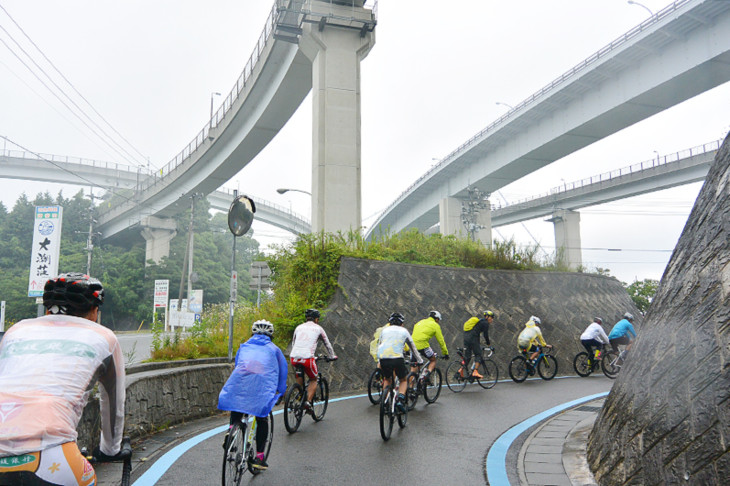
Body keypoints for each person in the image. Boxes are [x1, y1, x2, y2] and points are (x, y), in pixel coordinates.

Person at [0, 273, 126, 486]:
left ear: (48, 308)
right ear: (94, 311)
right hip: (50, 455)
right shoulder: (105, 338)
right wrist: (110, 450)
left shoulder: (16, 331)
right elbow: (114, 404)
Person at [218, 319, 287, 471]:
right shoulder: (275, 350)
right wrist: (281, 391)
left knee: (237, 402)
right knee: (262, 417)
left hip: (241, 381)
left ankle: (231, 430)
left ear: (253, 332)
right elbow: (283, 371)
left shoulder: (244, 346)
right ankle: (260, 458)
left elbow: (238, 365)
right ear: (271, 334)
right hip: (262, 385)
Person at [289, 309, 337, 413]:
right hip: (307, 358)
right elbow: (327, 343)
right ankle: (307, 402)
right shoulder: (318, 328)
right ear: (316, 319)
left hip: (294, 357)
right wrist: (332, 356)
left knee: (299, 375)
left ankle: (300, 396)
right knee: (313, 379)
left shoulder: (298, 327)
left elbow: (294, 343)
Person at [377, 313, 423, 412]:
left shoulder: (384, 330)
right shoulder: (404, 331)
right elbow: (413, 348)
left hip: (383, 358)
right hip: (397, 359)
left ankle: (384, 402)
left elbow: (380, 345)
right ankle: (401, 398)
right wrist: (419, 360)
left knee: (387, 379)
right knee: (403, 380)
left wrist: (379, 361)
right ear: (402, 323)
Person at [411, 310, 449, 377]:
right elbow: (441, 341)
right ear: (436, 319)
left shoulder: (420, 322)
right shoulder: (435, 325)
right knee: (433, 360)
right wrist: (445, 353)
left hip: (412, 346)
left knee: (414, 369)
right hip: (423, 346)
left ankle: (410, 386)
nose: (438, 321)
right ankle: (426, 376)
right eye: (438, 320)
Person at [462, 310, 495, 379]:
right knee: (479, 354)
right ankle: (475, 371)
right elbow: (485, 335)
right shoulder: (485, 323)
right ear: (487, 317)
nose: (492, 319)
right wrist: (489, 345)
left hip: (466, 338)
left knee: (468, 357)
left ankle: (460, 371)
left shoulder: (479, 322)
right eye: (491, 317)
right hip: (473, 339)